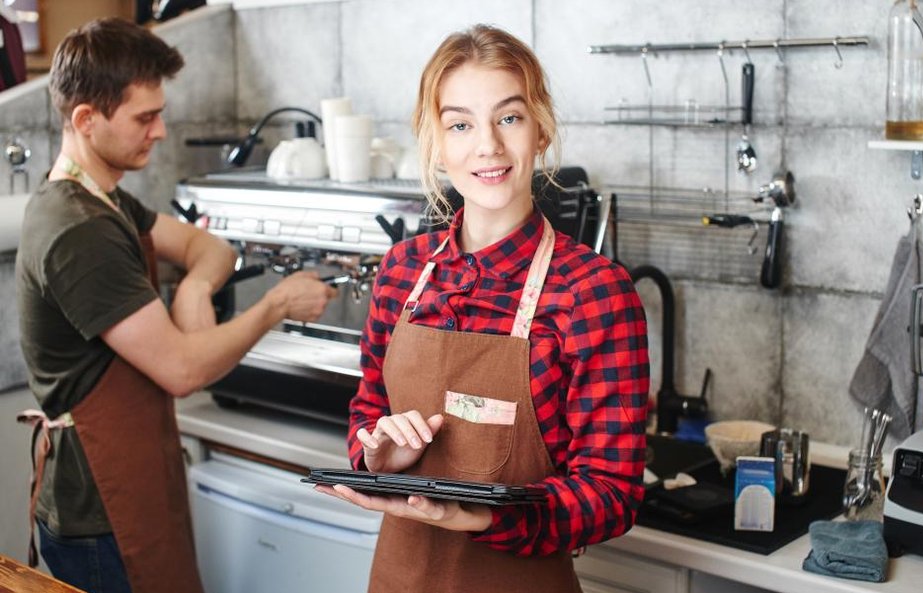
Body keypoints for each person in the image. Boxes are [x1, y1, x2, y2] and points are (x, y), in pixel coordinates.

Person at [315, 24, 649, 593]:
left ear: (540, 130)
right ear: (437, 144)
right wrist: (380, 456)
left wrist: (487, 515)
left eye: (509, 118)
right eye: (461, 124)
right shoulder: (402, 271)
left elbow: (612, 493)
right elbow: (368, 407)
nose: (488, 145)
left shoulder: (593, 291)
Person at [15, 17, 336, 593]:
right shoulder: (77, 229)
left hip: (132, 479)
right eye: (145, 117)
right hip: (98, 510)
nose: (160, 131)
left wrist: (192, 288)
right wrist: (276, 305)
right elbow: (183, 369)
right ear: (86, 120)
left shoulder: (103, 198)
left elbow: (202, 244)